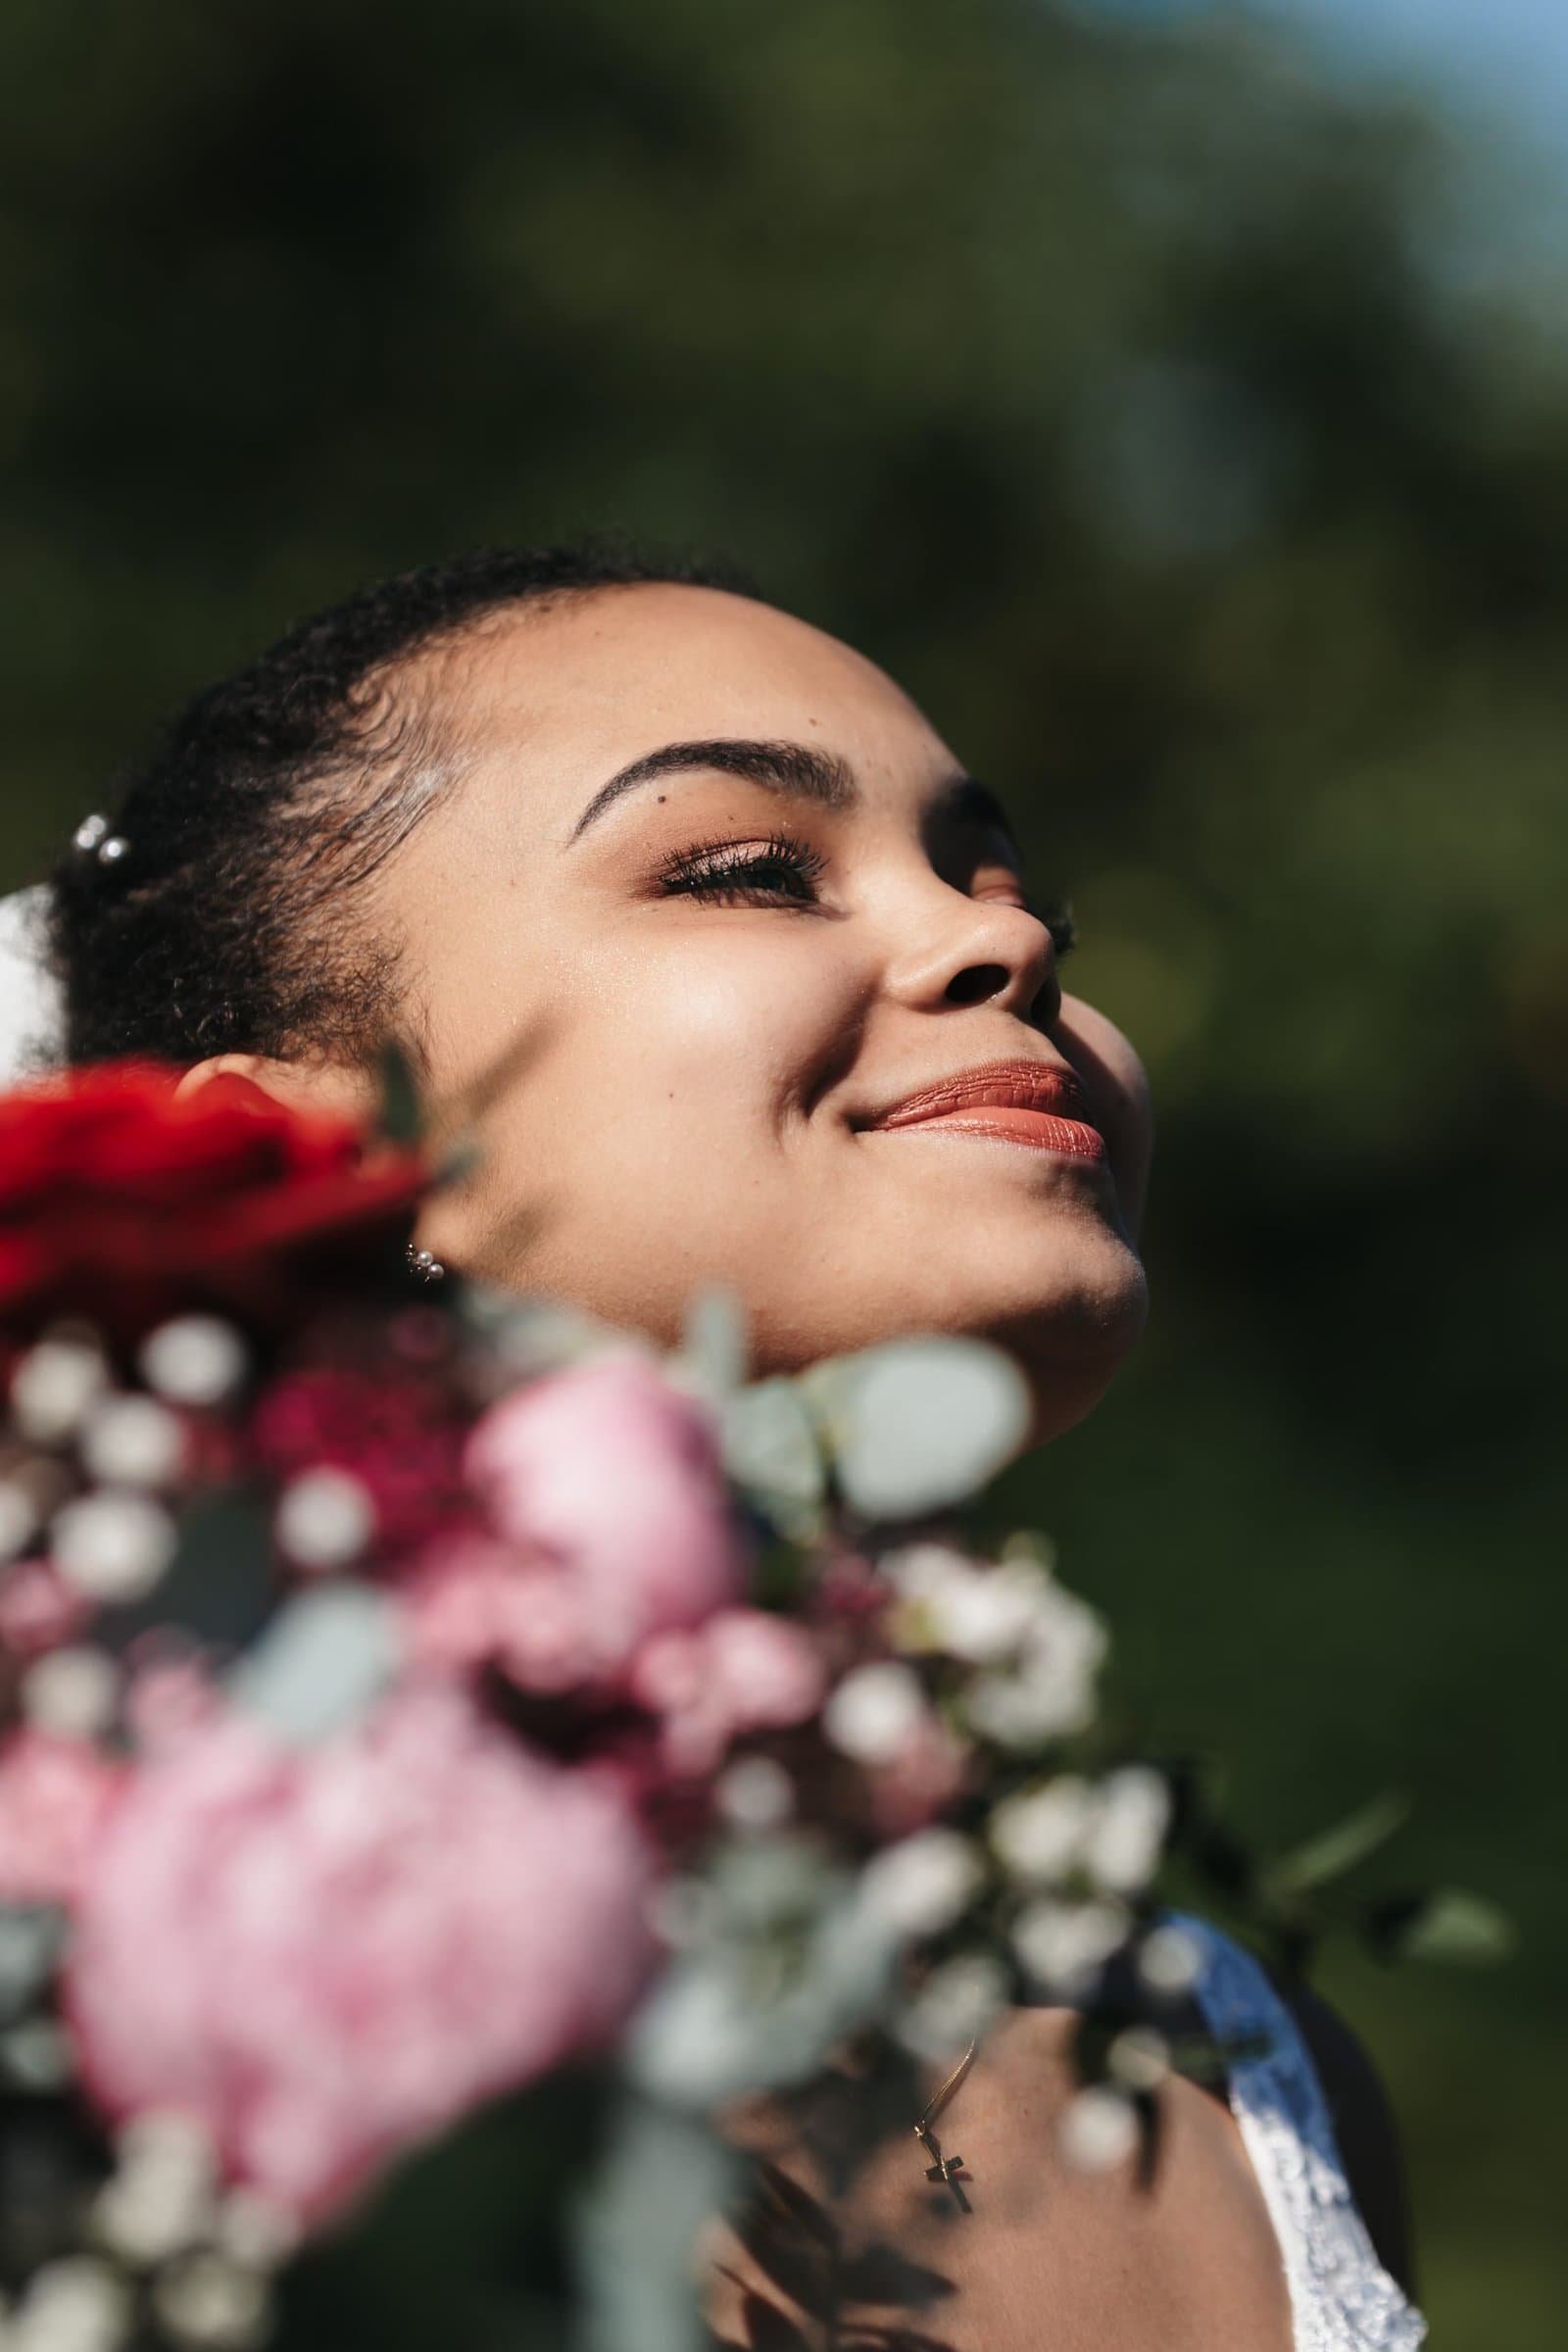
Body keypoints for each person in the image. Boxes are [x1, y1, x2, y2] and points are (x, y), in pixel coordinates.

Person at [44, 545, 1421, 2348]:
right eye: (752, 871)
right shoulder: (122, 1996)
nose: (997, 940)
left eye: (1021, 902)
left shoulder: (1253, 2077)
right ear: (301, 1166)